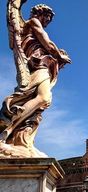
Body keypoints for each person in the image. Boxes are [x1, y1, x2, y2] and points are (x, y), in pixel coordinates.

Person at [0, 3, 71, 156]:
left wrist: (57, 61)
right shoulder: (32, 23)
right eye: (46, 17)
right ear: (39, 13)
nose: (47, 21)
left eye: (49, 19)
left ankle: (16, 136)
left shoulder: (31, 28)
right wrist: (59, 55)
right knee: (44, 97)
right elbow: (48, 43)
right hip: (37, 66)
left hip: (40, 67)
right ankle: (8, 129)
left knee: (43, 101)